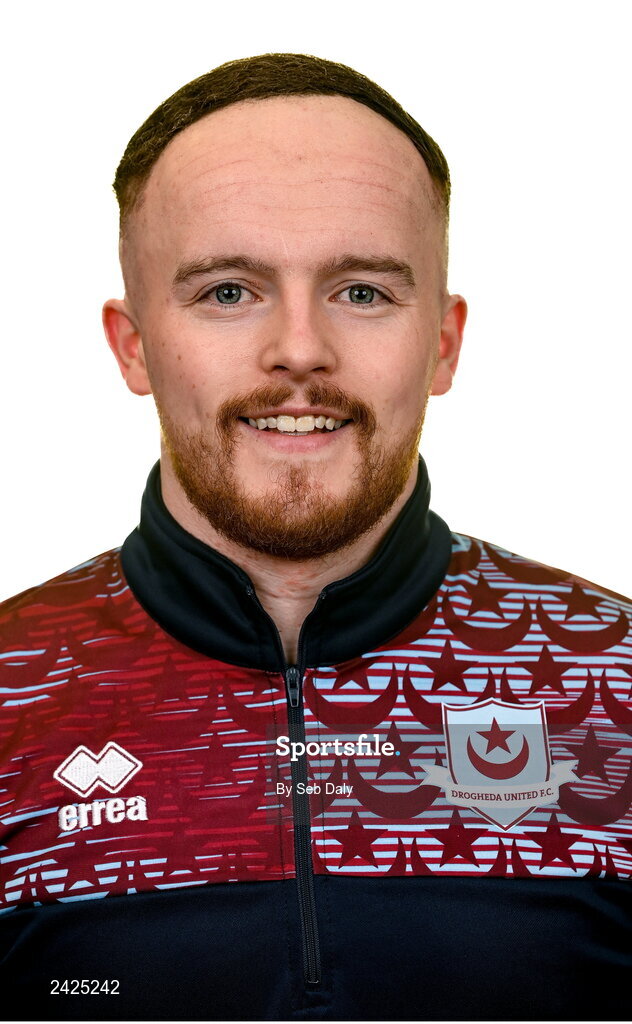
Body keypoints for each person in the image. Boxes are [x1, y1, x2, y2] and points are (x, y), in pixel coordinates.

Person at [0, 52, 630, 1022]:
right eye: (226, 291)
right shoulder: (13, 687)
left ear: (443, 344)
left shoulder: (611, 679)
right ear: (131, 345)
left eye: (361, 291)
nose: (298, 348)